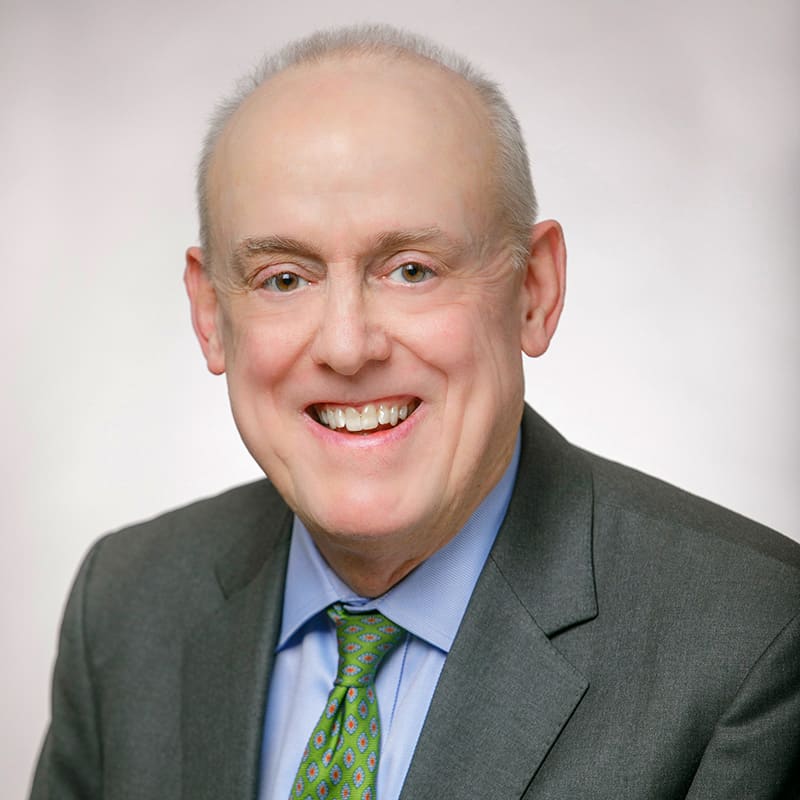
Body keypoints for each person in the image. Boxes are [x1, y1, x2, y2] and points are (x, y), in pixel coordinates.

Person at [30, 24, 799, 800]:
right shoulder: (124, 605)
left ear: (534, 289)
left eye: (410, 269)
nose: (346, 345)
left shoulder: (752, 639)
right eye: (284, 279)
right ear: (209, 315)